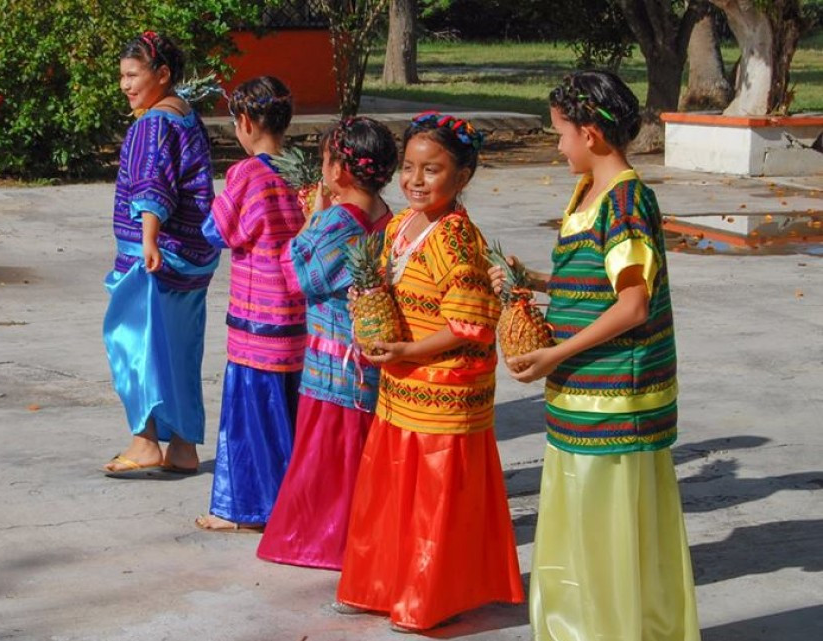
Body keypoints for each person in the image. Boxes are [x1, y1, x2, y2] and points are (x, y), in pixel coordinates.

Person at [493, 71, 700, 641]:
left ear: (591, 135)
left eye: (560, 133)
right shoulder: (588, 193)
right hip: (581, 396)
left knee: (607, 538)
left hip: (614, 398)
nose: (556, 145)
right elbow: (596, 285)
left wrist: (557, 353)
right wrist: (531, 280)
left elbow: (633, 304)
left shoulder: (628, 202)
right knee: (585, 535)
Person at [334, 112, 524, 633]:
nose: (416, 181)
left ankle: (429, 597)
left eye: (432, 170)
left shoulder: (458, 239)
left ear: (461, 177)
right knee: (394, 489)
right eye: (410, 168)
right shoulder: (400, 226)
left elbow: (470, 327)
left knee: (432, 501)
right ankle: (382, 584)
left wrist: (406, 350)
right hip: (402, 377)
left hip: (444, 383)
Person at [255, 117, 396, 566]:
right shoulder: (387, 216)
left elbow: (298, 276)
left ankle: (319, 541)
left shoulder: (337, 219)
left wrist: (311, 219)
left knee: (326, 453)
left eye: (324, 160)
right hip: (369, 358)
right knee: (359, 450)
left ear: (338, 171)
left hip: (333, 362)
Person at [102, 31, 219, 477]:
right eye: (122, 76)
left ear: (163, 74)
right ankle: (184, 447)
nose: (125, 85)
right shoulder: (184, 114)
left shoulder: (153, 124)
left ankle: (146, 439)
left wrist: (149, 239)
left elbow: (154, 185)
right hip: (193, 256)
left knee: (134, 343)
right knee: (179, 350)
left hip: (156, 255)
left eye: (133, 75)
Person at [194, 77, 307, 531]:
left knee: (249, 419)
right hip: (297, 316)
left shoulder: (247, 175)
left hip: (256, 318)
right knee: (289, 414)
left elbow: (215, 232)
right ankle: (292, 502)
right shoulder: (303, 172)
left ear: (244, 122)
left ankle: (248, 509)